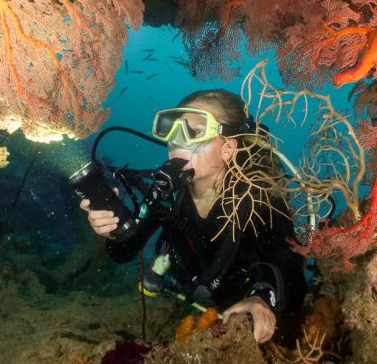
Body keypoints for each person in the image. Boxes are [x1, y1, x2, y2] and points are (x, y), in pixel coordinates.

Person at [79, 89, 307, 344]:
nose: (178, 140)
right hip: (199, 287)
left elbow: (287, 265)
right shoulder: (166, 195)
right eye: (172, 129)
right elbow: (123, 253)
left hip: (246, 297)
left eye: (195, 131)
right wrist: (113, 228)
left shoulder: (258, 197)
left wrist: (262, 297)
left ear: (228, 149)